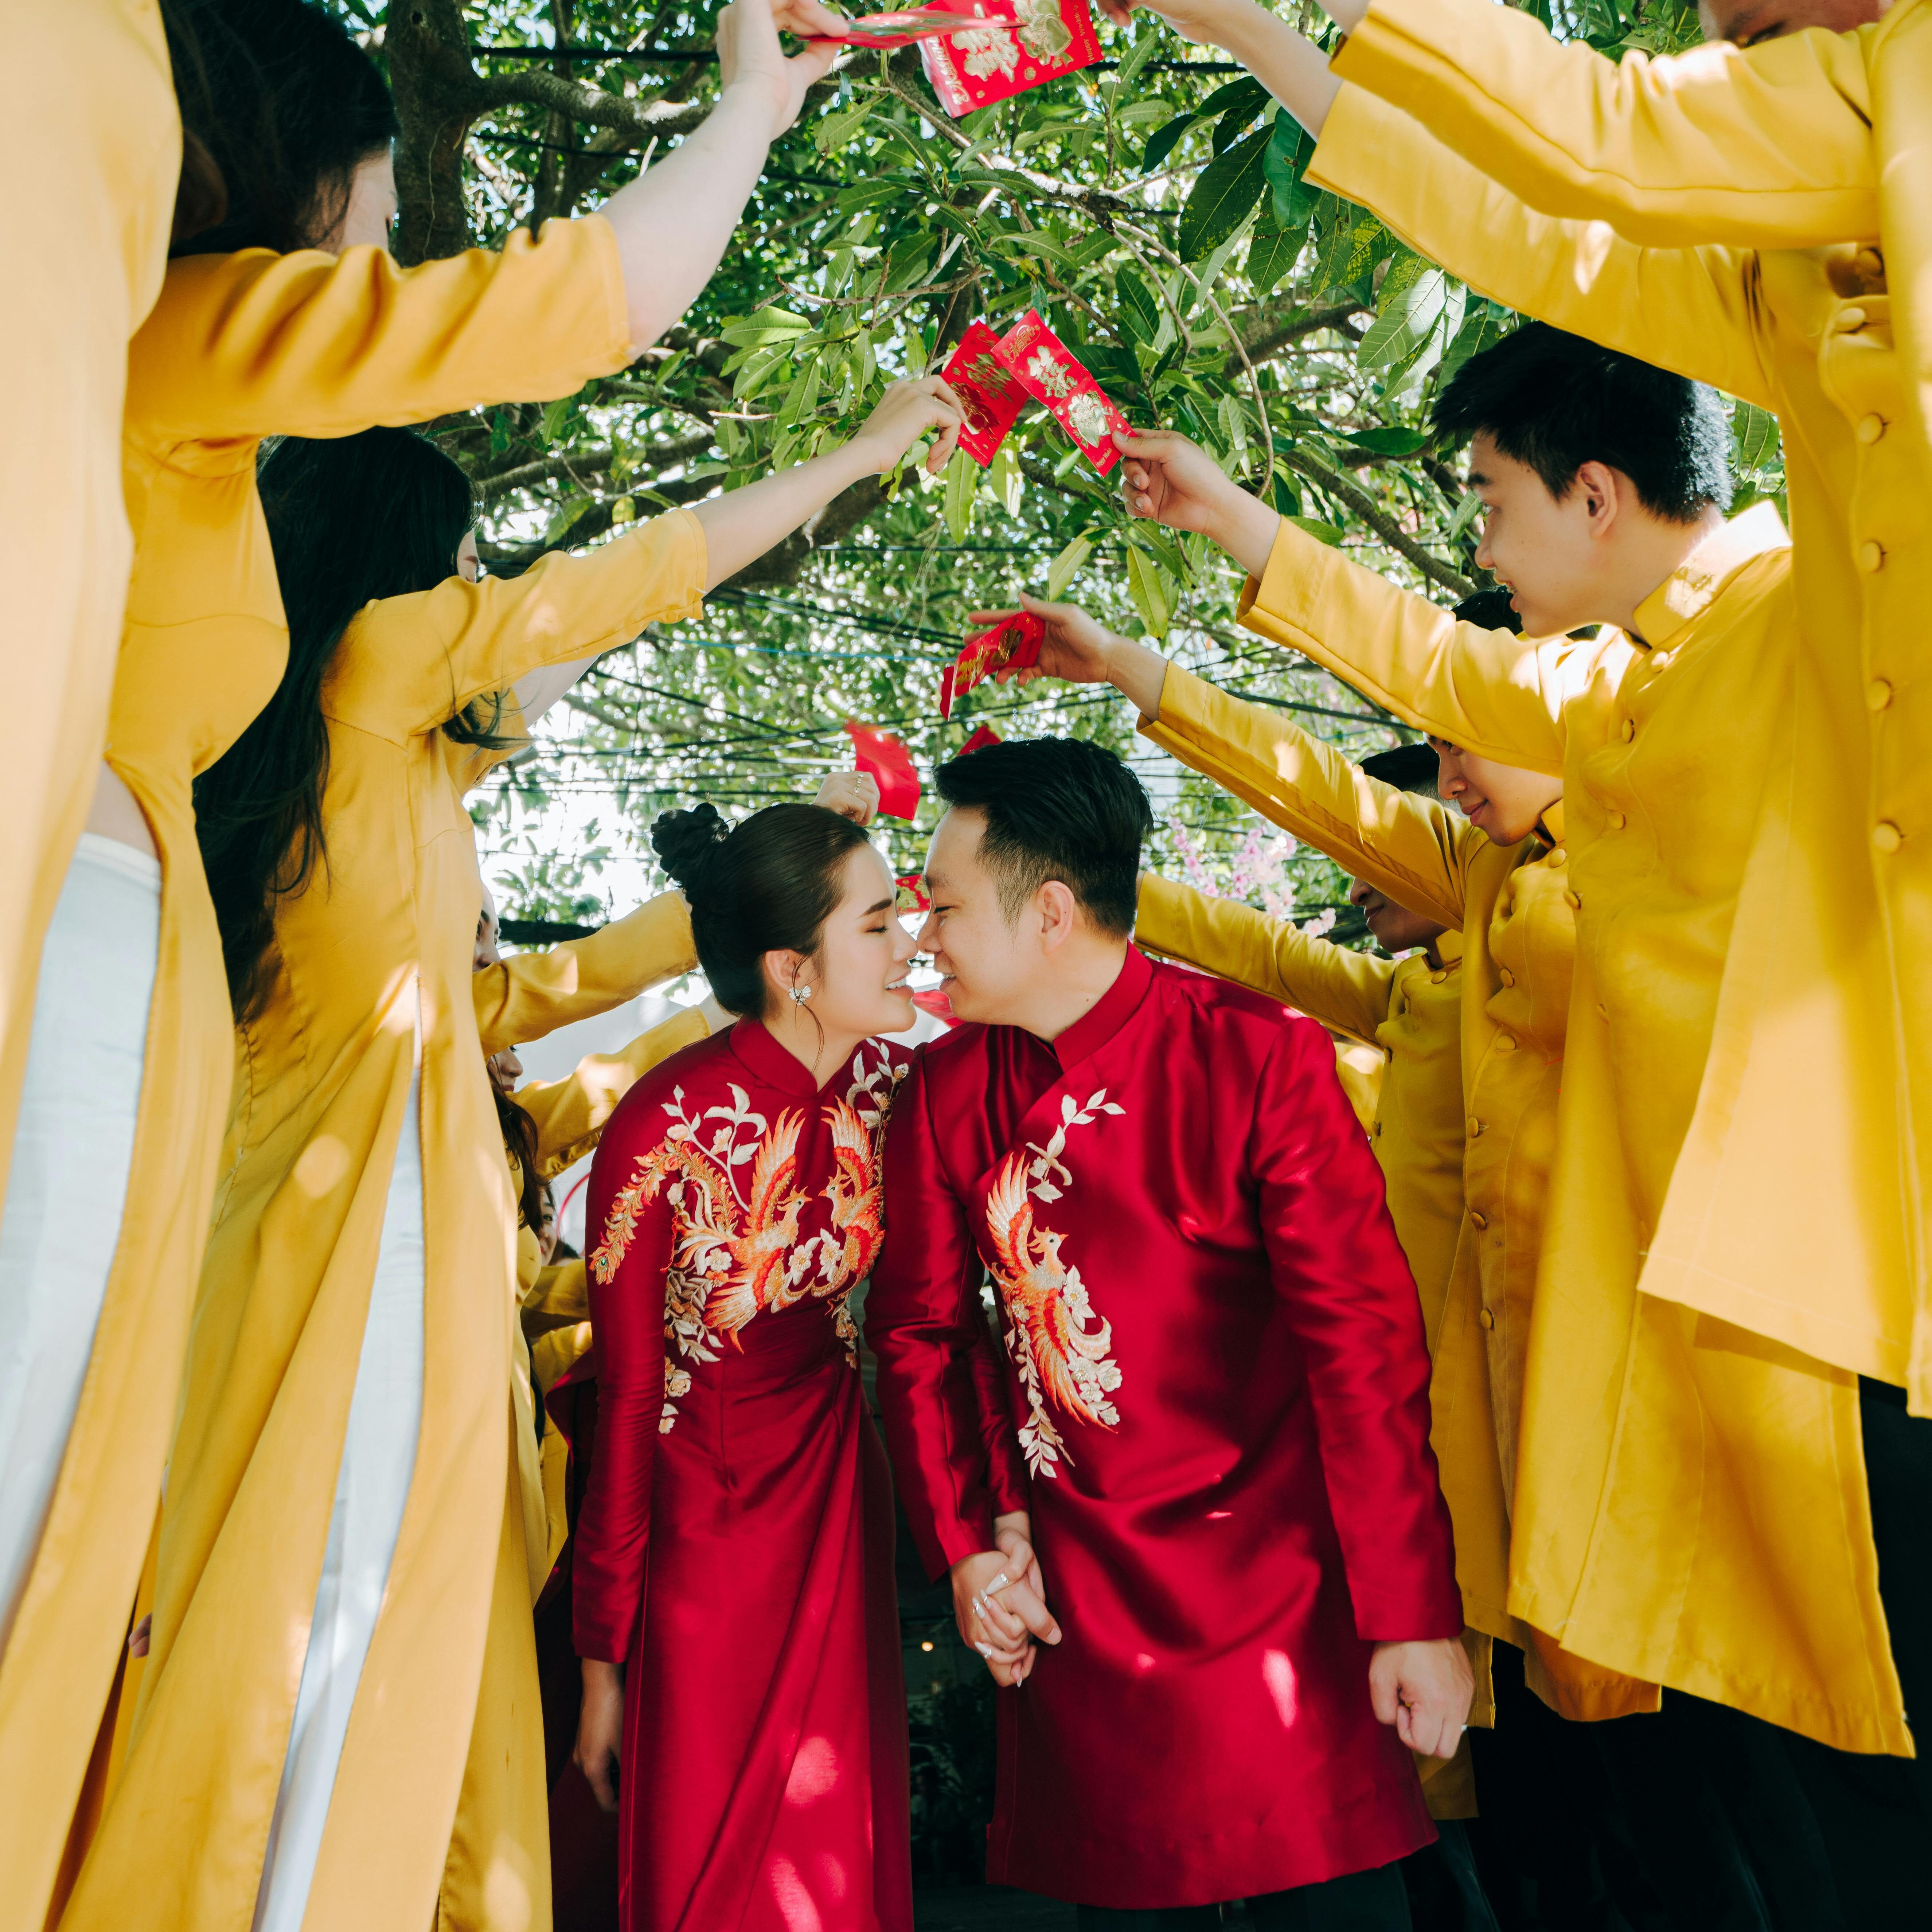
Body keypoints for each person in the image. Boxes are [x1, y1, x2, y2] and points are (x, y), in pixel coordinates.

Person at [3, 3, 855, 1909]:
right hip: (186, 1088)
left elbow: (511, 983)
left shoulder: (297, 662)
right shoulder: (208, 376)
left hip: (194, 1083)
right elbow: (595, 462)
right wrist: (750, 129)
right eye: (374, 229)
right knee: (230, 1564)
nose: (381, 286)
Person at [73, 377, 960, 1932]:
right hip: (368, 1284)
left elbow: (509, 988)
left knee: (269, 1630)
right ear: (409, 573)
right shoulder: (384, 661)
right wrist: (858, 453)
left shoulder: (290, 748)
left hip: (264, 1260)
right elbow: (627, 588)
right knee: (356, 1629)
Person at [1111, 312, 1926, 1905]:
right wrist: (1200, 580)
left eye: (1489, 500)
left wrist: (1291, 44)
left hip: (1803, 1352)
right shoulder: (1598, 756)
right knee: (1678, 1835)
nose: (1454, 767)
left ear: (1599, 496)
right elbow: (1411, 731)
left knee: (1795, 1825)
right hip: (1615, 1397)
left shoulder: (1792, 617)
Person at [866, 734, 1468, 1926]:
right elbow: (922, 1341)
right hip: (1078, 1598)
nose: (920, 938)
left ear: (1048, 912)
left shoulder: (1259, 1058)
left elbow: (1366, 1355)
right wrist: (974, 1542)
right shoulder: (940, 1096)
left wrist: (1411, 1616)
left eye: (938, 904)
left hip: (1282, 1586)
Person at [570, 794, 923, 1932]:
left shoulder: (895, 1090)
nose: (909, 939)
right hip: (703, 1543)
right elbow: (625, 1401)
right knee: (721, 1871)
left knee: (829, 1849)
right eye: (877, 924)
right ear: (793, 968)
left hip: (834, 1492)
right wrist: (602, 1664)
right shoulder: (660, 1130)